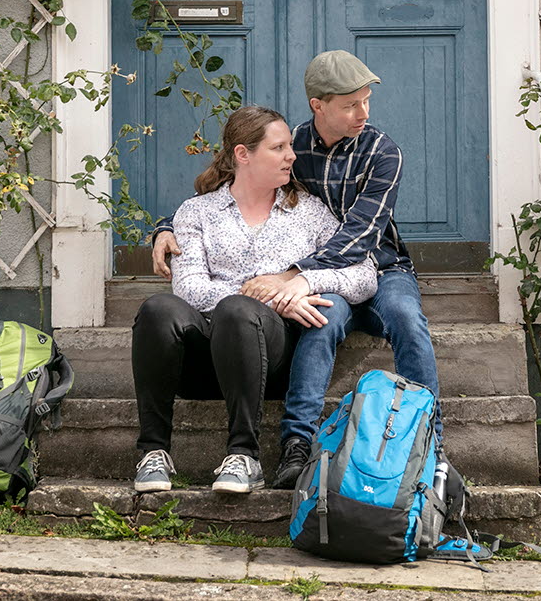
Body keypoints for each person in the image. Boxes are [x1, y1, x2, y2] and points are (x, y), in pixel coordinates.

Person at [152, 50, 439, 490]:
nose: (363, 112)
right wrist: (167, 226)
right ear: (318, 106)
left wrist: (295, 277)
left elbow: (361, 237)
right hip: (326, 280)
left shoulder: (382, 152)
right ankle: (296, 443)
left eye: (367, 101)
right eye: (350, 105)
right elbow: (229, 187)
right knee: (320, 321)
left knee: (406, 319)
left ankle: (430, 442)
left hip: (379, 266)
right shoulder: (293, 146)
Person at [131, 105, 377, 495]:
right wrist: (266, 294)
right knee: (157, 309)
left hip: (273, 362)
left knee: (238, 310)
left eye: (290, 147)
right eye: (278, 148)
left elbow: (364, 274)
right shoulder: (198, 212)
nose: (291, 156)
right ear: (243, 154)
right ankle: (153, 452)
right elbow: (189, 288)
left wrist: (299, 283)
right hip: (208, 362)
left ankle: (244, 455)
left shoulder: (308, 212)